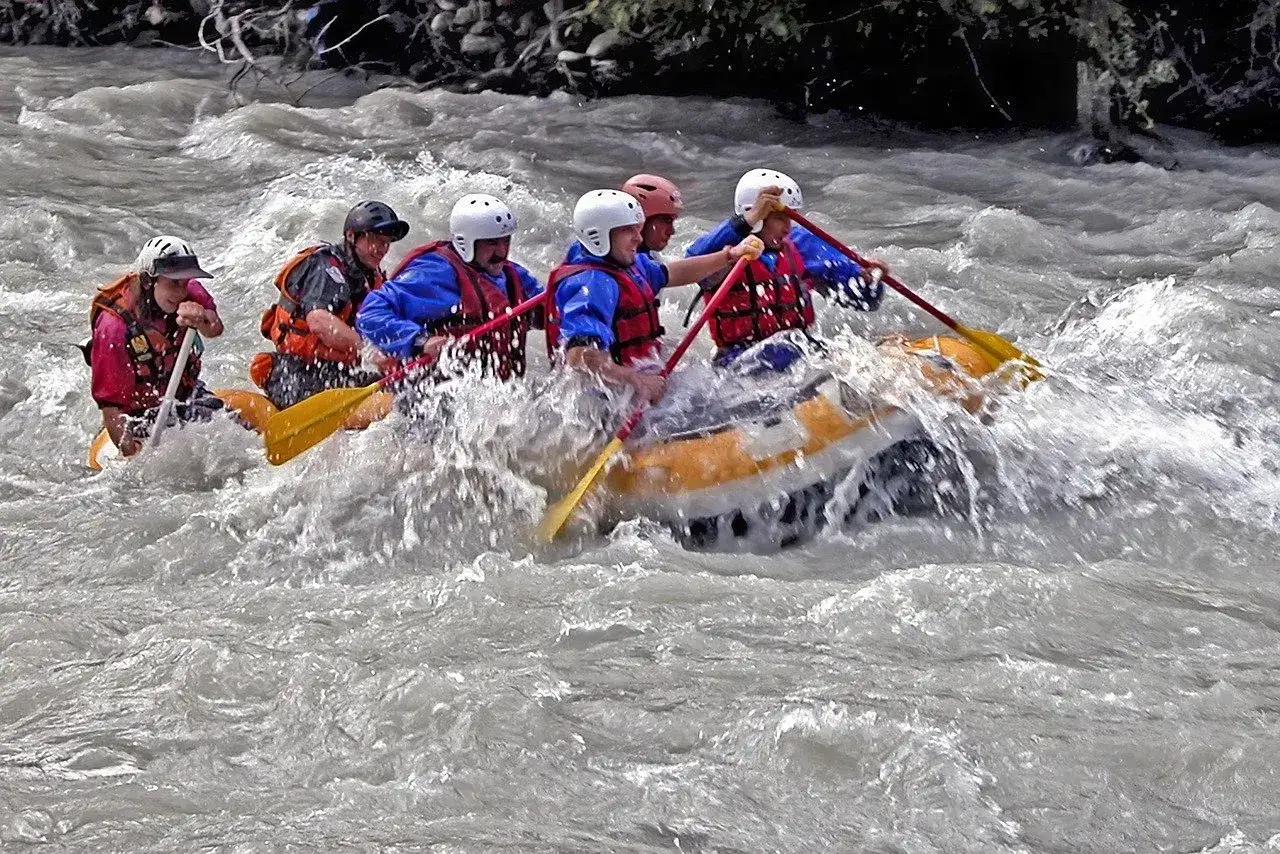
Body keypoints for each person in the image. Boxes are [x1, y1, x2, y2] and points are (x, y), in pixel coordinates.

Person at [546, 189, 763, 404]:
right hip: (608, 402)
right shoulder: (592, 283)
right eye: (628, 230)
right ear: (599, 235)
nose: (638, 238)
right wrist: (637, 380)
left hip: (638, 386)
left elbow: (674, 273)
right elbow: (579, 356)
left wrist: (728, 256)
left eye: (637, 228)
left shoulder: (630, 265)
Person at [684, 168, 890, 369]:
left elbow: (865, 302)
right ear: (754, 216)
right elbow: (691, 262)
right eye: (780, 218)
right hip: (740, 363)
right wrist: (746, 221)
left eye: (790, 217)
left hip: (801, 353)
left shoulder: (801, 244)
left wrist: (869, 282)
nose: (788, 227)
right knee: (788, 349)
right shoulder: (724, 252)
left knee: (867, 354)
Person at [355, 193, 543, 381]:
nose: (502, 252)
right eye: (492, 243)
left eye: (506, 240)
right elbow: (370, 314)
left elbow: (555, 308)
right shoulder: (435, 273)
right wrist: (421, 341)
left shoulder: (513, 276)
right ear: (466, 242)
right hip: (428, 391)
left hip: (491, 395)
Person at [251, 200, 410, 409]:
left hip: (337, 371)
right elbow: (318, 320)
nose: (382, 249)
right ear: (352, 236)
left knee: (406, 389)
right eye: (375, 240)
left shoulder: (371, 278)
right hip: (295, 373)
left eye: (386, 242)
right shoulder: (325, 266)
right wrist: (370, 353)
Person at [85, 236, 225, 457]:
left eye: (185, 282)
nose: (181, 293)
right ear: (149, 281)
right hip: (138, 415)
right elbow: (112, 406)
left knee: (227, 429)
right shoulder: (114, 326)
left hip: (184, 397)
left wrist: (202, 319)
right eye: (173, 283)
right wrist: (131, 452)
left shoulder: (192, 292)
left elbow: (215, 329)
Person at [620, 174, 683, 259]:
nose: (671, 231)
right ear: (640, 221)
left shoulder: (648, 256)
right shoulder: (631, 263)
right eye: (665, 221)